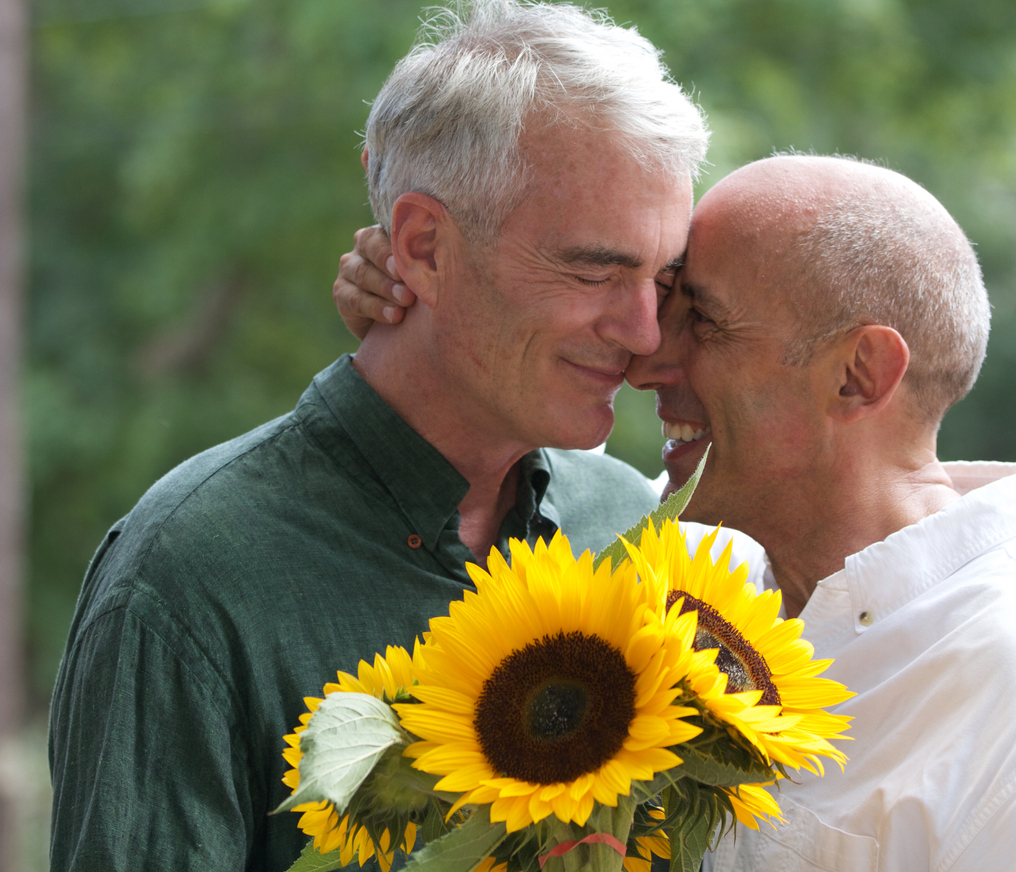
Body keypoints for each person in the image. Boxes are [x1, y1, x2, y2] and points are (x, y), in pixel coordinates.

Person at [339, 155, 1016, 869]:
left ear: (857, 375)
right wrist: (430, 305)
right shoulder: (699, 585)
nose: (644, 356)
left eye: (701, 321)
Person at [46, 2, 709, 870]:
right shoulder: (188, 582)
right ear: (424, 247)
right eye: (594, 268)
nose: (644, 331)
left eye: (662, 278)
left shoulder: (631, 523)